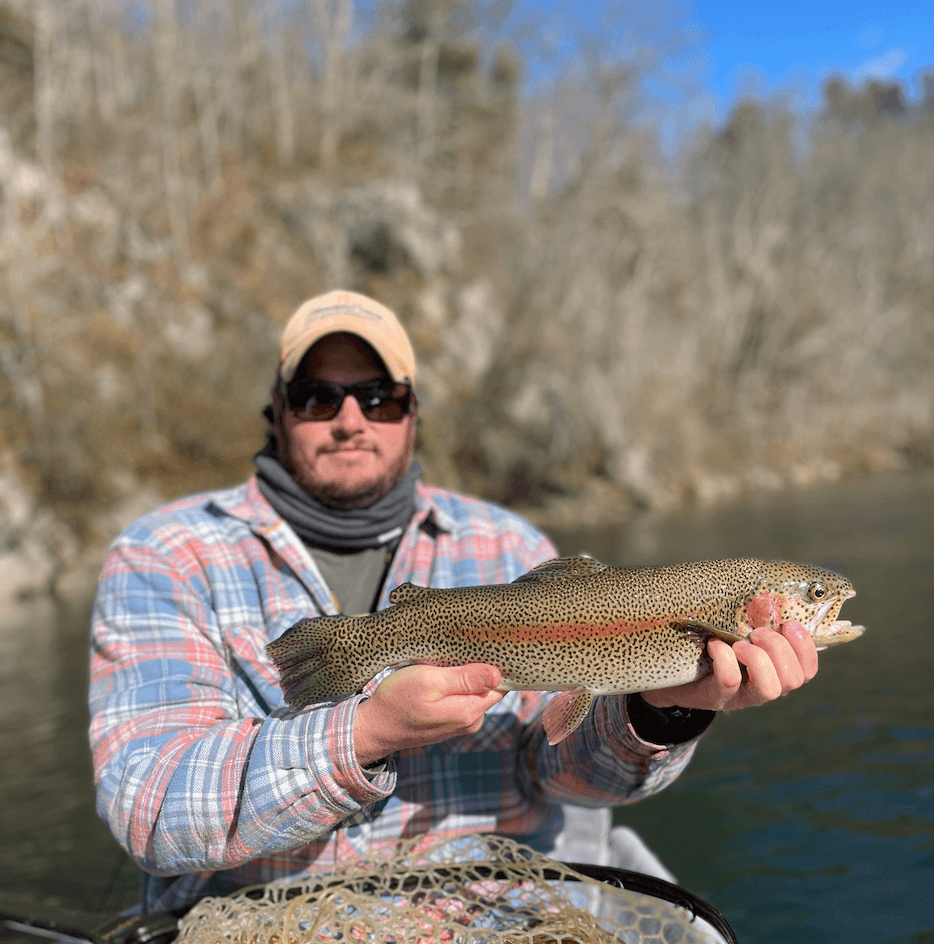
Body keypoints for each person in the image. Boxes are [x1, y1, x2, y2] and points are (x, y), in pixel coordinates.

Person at [89, 289, 819, 912]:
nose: (351, 419)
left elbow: (565, 772)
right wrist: (364, 733)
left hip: (485, 940)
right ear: (277, 411)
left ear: (412, 411)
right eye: (318, 397)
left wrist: (661, 709)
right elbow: (146, 808)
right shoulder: (165, 556)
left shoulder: (508, 544)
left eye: (379, 397)